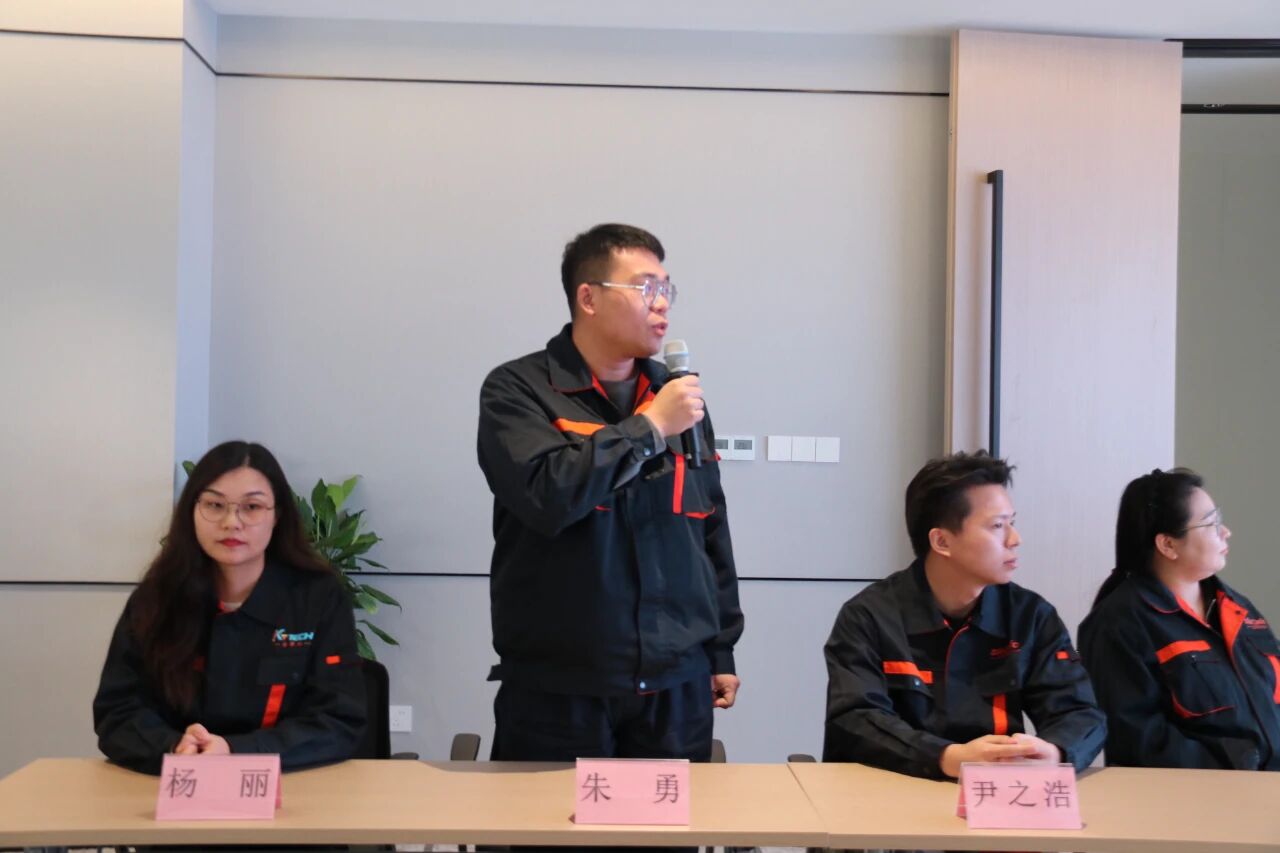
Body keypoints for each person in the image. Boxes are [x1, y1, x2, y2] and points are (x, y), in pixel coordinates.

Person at [477, 222, 743, 762]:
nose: (662, 304)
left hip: (674, 686)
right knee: (550, 819)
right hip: (560, 689)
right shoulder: (519, 390)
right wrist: (649, 429)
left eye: (666, 289)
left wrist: (721, 650)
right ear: (589, 297)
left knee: (663, 819)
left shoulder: (675, 397)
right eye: (646, 288)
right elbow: (547, 495)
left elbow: (709, 528)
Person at [823, 451, 1105, 778]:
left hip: (998, 793)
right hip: (892, 789)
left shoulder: (1030, 615)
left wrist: (1055, 752)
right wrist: (947, 757)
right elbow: (856, 720)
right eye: (997, 526)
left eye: (1012, 523)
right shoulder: (869, 617)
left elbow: (1079, 712)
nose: (1015, 540)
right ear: (942, 541)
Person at [93, 440, 366, 774]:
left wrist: (237, 751)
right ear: (192, 511)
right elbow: (117, 713)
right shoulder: (156, 598)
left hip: (290, 784)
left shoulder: (318, 597)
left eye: (252, 507)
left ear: (277, 516)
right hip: (176, 780)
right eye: (215, 505)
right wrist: (175, 747)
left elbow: (338, 720)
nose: (231, 522)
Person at [1079, 468, 1280, 770]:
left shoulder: (1237, 607)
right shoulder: (1119, 622)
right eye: (1211, 523)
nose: (1225, 532)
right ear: (1168, 545)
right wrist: (1241, 763)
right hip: (1197, 793)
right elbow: (1136, 739)